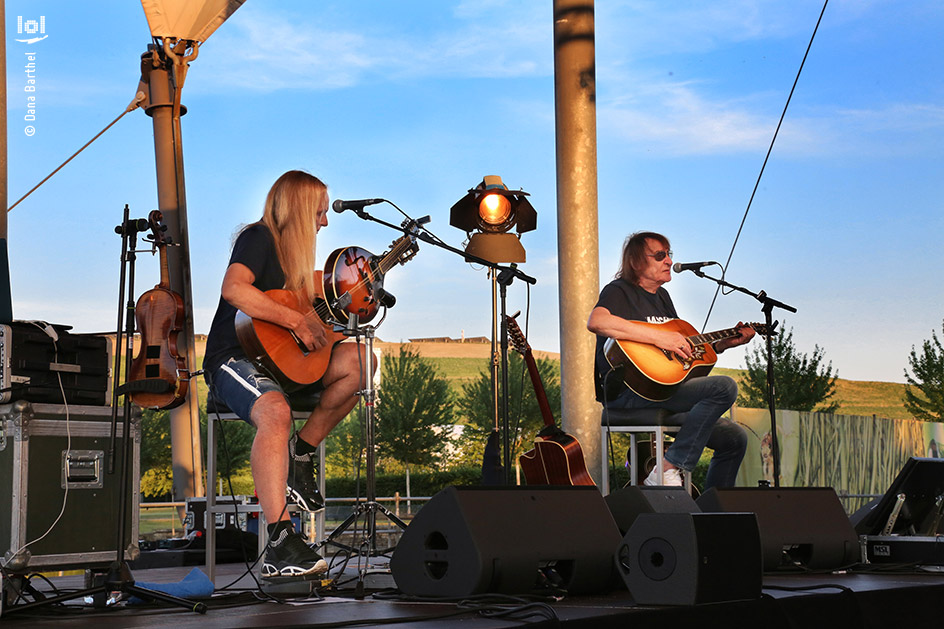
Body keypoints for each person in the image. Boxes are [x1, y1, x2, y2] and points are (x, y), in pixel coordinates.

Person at [204, 170, 367, 578]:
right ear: (297, 208)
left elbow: (319, 320)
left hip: (282, 365)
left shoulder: (302, 265)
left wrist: (358, 301)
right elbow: (235, 289)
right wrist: (296, 321)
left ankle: (301, 455)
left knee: (362, 362)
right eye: (319, 212)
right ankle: (279, 538)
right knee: (275, 413)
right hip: (234, 358)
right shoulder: (258, 238)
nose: (325, 222)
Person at [587, 231, 755, 489]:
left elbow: (678, 354)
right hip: (629, 392)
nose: (668, 261)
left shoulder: (663, 298)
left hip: (663, 389)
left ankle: (714, 513)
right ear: (635, 262)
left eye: (669, 255)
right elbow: (597, 321)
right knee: (724, 386)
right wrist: (659, 338)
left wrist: (721, 345)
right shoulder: (619, 291)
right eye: (659, 255)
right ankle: (667, 467)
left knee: (734, 438)